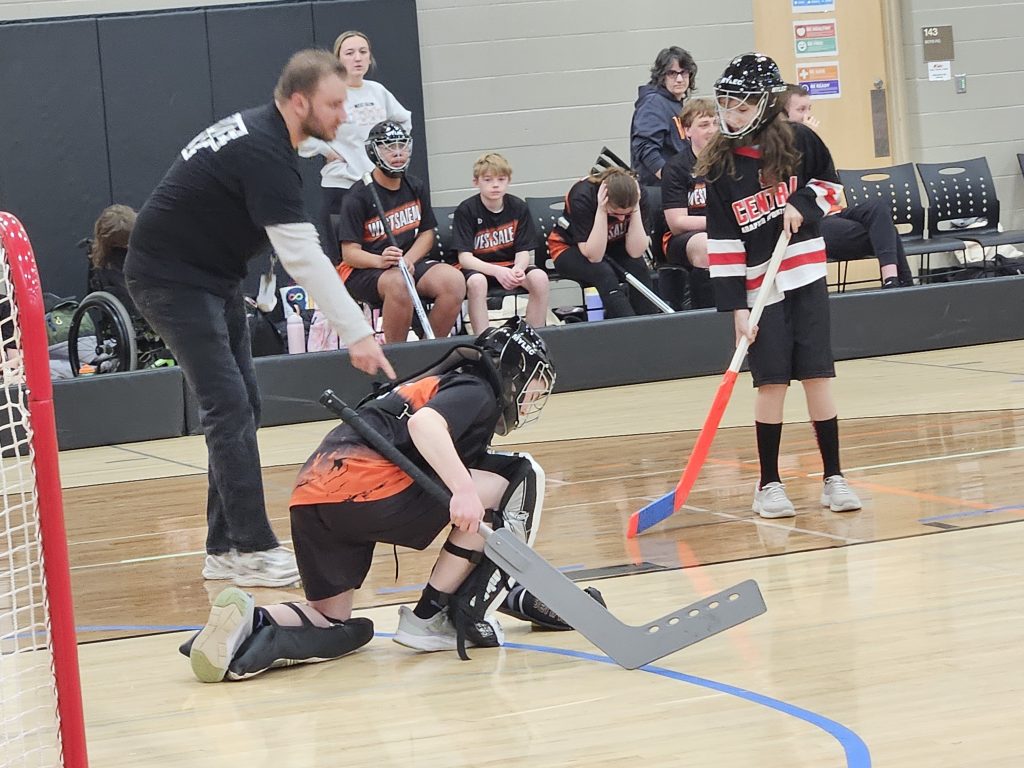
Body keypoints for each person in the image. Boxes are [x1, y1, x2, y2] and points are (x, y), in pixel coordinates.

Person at [181, 318, 596, 682]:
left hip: (313, 494)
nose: (528, 402)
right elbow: (426, 424)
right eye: (531, 390)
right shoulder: (475, 388)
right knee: (515, 479)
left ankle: (248, 627)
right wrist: (465, 491)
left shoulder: (433, 381)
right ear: (512, 374)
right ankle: (429, 617)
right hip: (369, 488)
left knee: (332, 621)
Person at [125, 50, 395, 587]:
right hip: (170, 280)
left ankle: (224, 548)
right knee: (227, 406)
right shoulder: (264, 153)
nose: (345, 114)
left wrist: (333, 148)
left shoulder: (270, 129)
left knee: (242, 402)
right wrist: (357, 332)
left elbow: (322, 140)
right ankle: (250, 547)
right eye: (334, 104)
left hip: (211, 276)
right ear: (299, 102)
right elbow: (303, 257)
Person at [697, 53, 862, 518]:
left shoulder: (802, 141)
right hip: (759, 291)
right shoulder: (722, 170)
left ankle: (834, 477)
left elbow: (832, 188)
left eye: (741, 106)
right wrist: (737, 310)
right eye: (726, 104)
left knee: (817, 376)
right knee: (771, 385)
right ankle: (768, 484)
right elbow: (725, 246)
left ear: (767, 105)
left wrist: (804, 203)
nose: (731, 115)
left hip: (805, 274)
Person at [338, 120, 465, 342]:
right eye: (389, 147)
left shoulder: (415, 186)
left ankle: (428, 353)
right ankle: (398, 359)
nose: (397, 153)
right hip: (366, 269)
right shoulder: (357, 197)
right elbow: (350, 254)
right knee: (399, 283)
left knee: (454, 281)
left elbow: (427, 233)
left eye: (402, 146)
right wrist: (380, 261)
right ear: (374, 151)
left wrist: (408, 259)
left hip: (406, 263)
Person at [780, 85, 913, 288]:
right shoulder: (776, 149)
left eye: (809, 109)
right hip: (812, 223)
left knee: (878, 208)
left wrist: (813, 139)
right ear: (782, 114)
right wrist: (808, 136)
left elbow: (834, 192)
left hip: (833, 212)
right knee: (886, 233)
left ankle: (893, 282)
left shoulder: (809, 142)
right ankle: (899, 284)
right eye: (801, 110)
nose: (807, 116)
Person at [298, 31, 412, 248]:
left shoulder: (378, 92)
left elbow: (404, 121)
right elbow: (301, 135)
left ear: (370, 58)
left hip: (378, 187)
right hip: (343, 187)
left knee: (383, 254)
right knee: (347, 260)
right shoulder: (326, 93)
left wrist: (395, 148)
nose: (357, 58)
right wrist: (327, 151)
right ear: (337, 60)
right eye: (349, 53)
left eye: (363, 52)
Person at [452, 152, 549, 333]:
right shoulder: (466, 210)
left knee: (540, 279)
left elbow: (523, 251)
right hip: (479, 268)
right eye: (488, 180)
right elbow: (464, 258)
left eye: (501, 179)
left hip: (509, 266)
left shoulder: (518, 207)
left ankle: (534, 336)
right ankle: (483, 340)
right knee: (477, 283)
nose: (495, 185)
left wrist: (518, 270)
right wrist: (497, 271)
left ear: (508, 180)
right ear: (476, 182)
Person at [547, 168, 657, 319]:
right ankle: (629, 326)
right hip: (570, 248)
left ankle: (649, 325)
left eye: (626, 214)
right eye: (615, 213)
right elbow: (594, 256)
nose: (621, 219)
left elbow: (635, 252)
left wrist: (636, 209)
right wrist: (601, 211)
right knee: (603, 272)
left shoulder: (638, 195)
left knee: (638, 268)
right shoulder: (582, 195)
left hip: (613, 245)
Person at [659, 97, 719, 309]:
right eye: (704, 125)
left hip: (723, 228)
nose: (712, 130)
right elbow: (677, 222)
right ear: (687, 131)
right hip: (682, 238)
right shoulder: (675, 168)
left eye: (715, 123)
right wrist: (716, 222)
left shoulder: (729, 162)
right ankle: (707, 316)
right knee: (706, 246)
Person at [630, 46, 698, 186]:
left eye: (684, 72)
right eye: (672, 73)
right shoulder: (654, 102)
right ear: (661, 76)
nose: (679, 79)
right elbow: (645, 147)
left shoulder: (674, 103)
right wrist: (671, 179)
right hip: (660, 192)